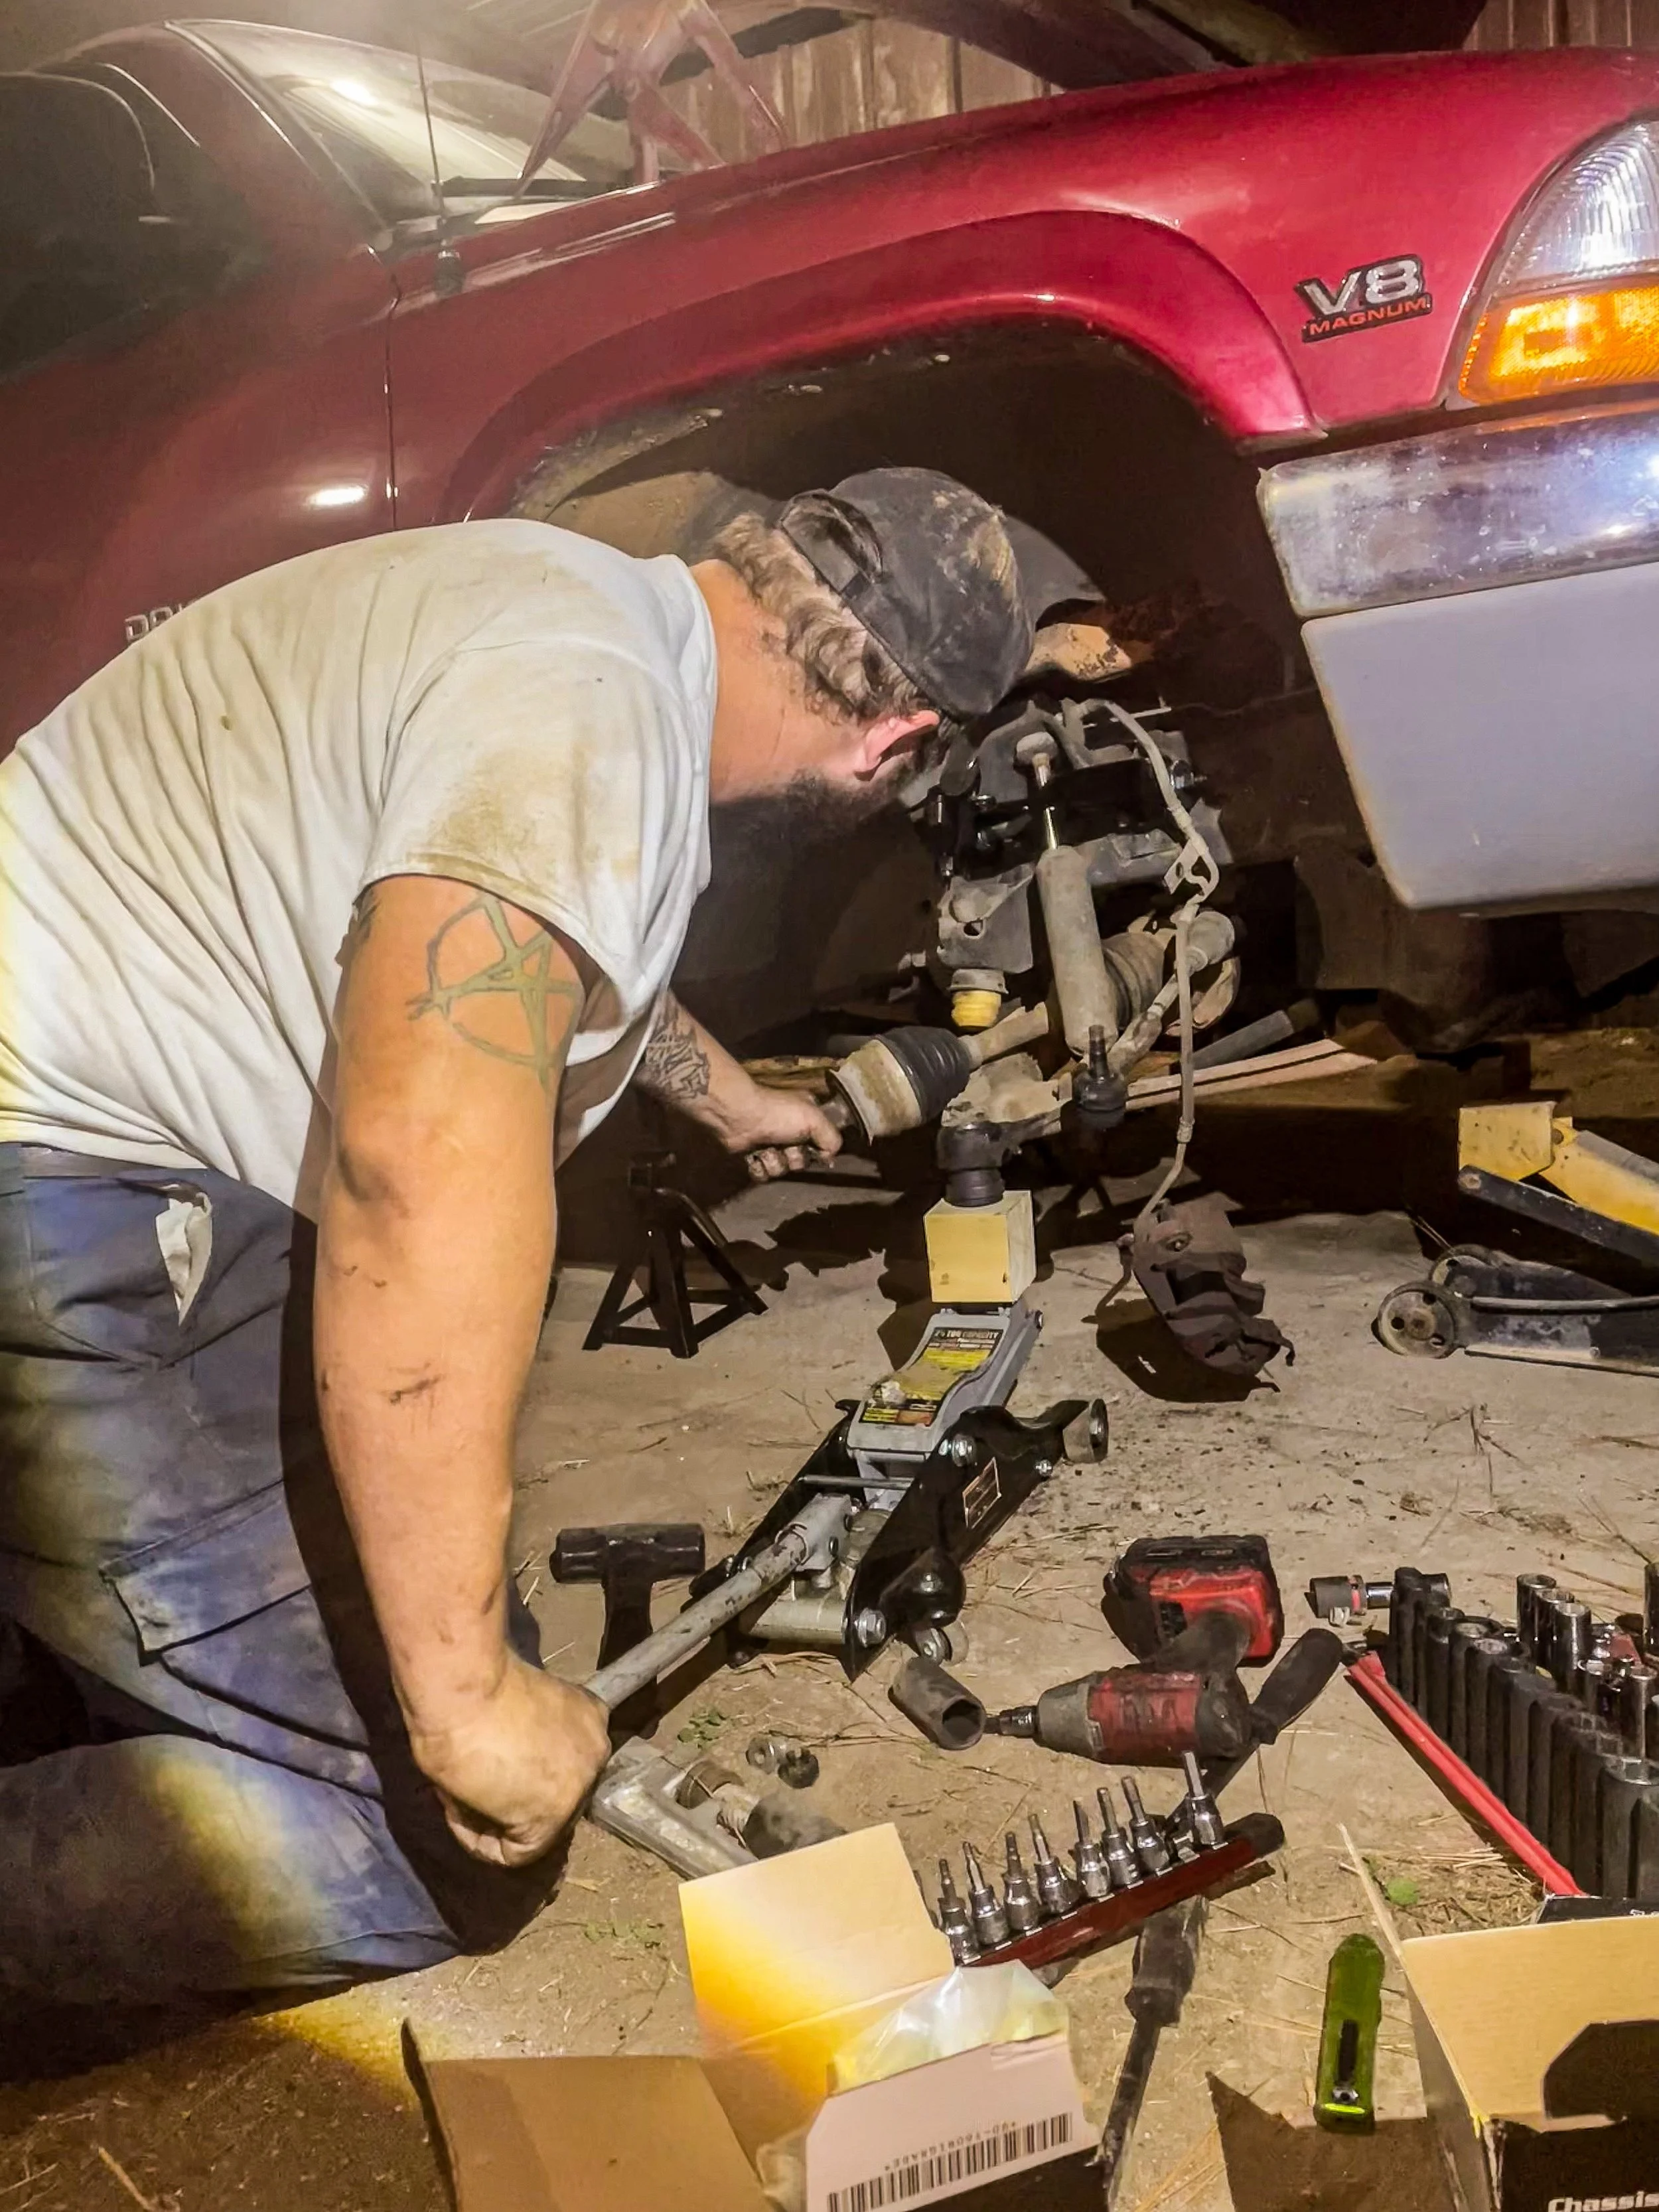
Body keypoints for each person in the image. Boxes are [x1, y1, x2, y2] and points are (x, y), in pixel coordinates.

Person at [0, 469, 1033, 2006]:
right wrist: (465, 1699)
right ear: (892, 746)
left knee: (420, 1617)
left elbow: (519, 931)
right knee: (433, 1826)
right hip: (70, 1197)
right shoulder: (591, 709)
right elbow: (415, 1162)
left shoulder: (567, 605)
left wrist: (728, 1094)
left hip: (75, 1140)